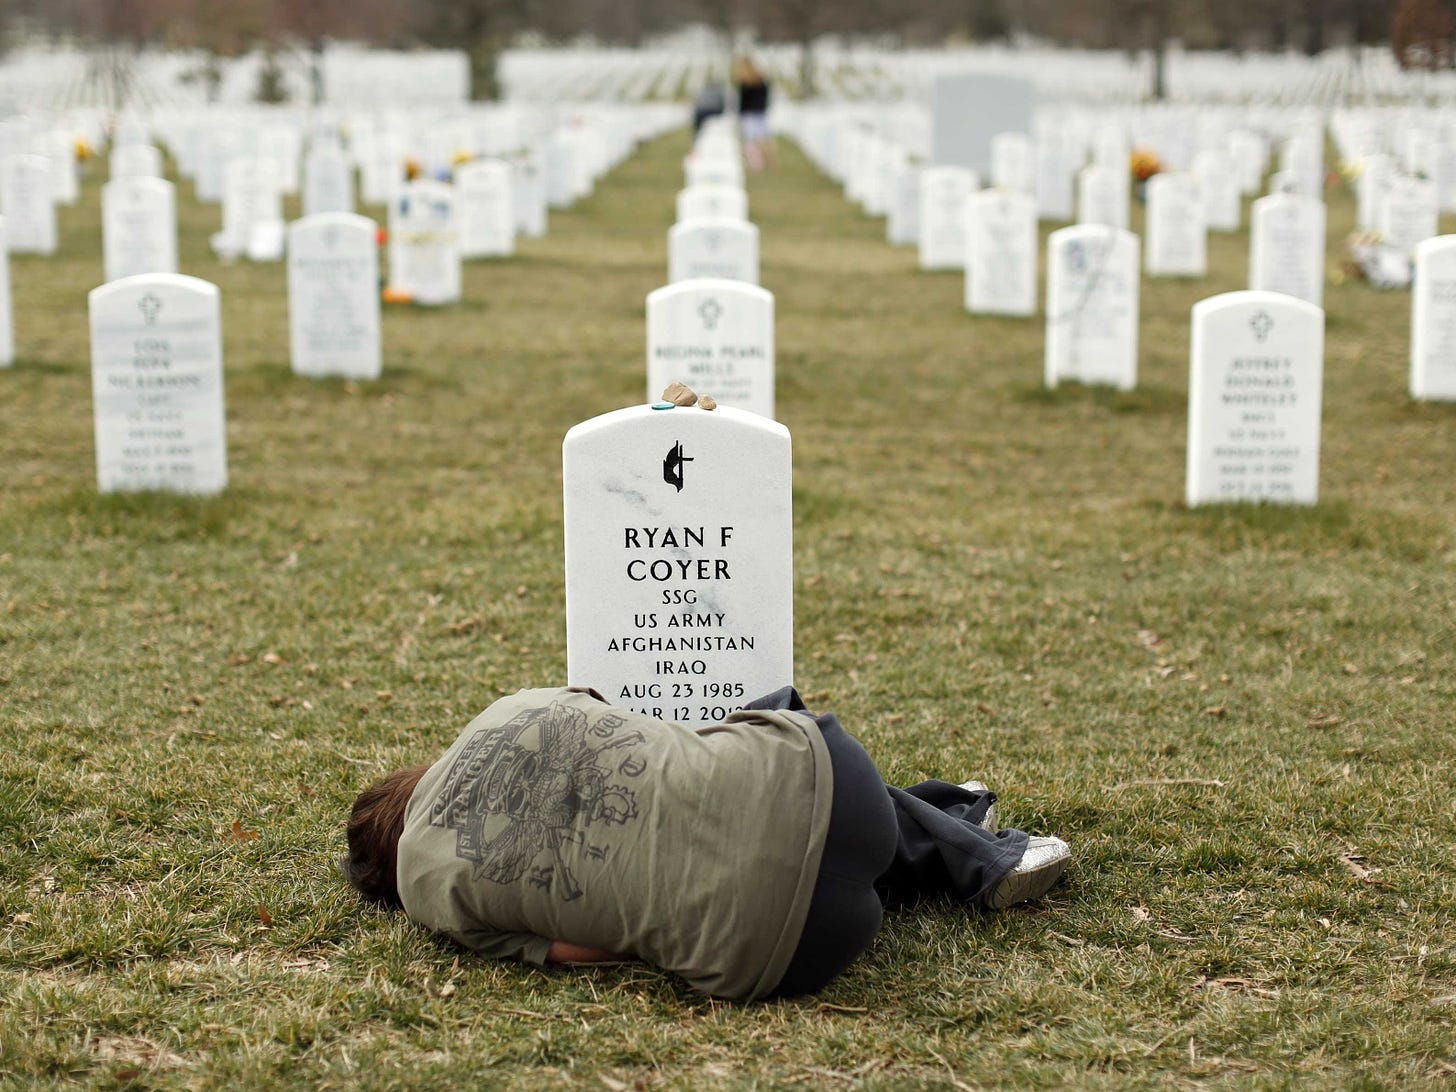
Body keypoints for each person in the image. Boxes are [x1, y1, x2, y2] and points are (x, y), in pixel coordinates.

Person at [344, 685, 1070, 1002]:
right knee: (770, 716)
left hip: (782, 952)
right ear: (412, 778)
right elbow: (639, 731)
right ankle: (961, 828)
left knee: (789, 854)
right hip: (841, 792)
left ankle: (953, 823)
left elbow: (591, 953)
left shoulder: (428, 895)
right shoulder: (504, 713)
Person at [733, 56, 773, 171]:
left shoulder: (745, 82)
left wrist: (740, 115)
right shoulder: (761, 79)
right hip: (759, 112)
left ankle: (757, 164)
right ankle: (764, 161)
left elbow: (742, 101)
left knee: (752, 140)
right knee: (762, 138)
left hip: (750, 114)